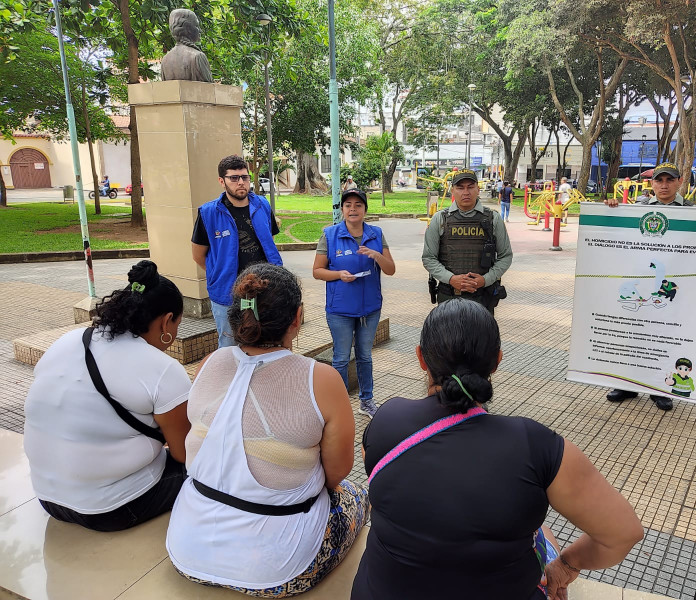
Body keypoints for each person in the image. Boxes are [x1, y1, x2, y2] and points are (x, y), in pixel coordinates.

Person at [351, 299, 643, 600]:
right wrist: (567, 565)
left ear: (421, 358)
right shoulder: (535, 446)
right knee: (538, 524)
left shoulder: (385, 420)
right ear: (497, 361)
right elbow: (623, 534)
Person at [167, 264, 369, 596]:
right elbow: (336, 472)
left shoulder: (210, 364)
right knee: (356, 495)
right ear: (297, 317)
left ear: (236, 316)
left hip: (187, 549)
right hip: (277, 569)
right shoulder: (321, 379)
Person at [24, 260, 191, 532]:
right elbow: (184, 453)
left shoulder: (68, 341)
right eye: (177, 324)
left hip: (48, 498)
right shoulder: (163, 370)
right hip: (111, 509)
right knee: (207, 468)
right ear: (166, 321)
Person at [604, 161, 696, 411]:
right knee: (635, 336)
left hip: (671, 288)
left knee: (666, 336)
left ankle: (659, 388)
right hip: (643, 284)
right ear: (652, 183)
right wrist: (613, 209)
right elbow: (620, 237)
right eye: (659, 180)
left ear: (680, 182)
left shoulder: (693, 211)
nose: (664, 185)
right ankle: (628, 384)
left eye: (670, 180)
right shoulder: (637, 209)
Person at [313, 189, 396, 418]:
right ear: (342, 210)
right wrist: (339, 274)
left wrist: (376, 255)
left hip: (370, 309)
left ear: (364, 210)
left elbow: (390, 269)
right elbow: (317, 271)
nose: (352, 209)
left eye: (358, 205)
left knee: (365, 356)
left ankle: (366, 401)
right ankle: (338, 406)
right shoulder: (330, 235)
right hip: (340, 310)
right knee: (340, 357)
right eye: (348, 205)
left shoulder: (376, 234)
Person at [191, 155, 282, 348]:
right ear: (221, 181)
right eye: (234, 178)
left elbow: (269, 242)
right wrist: (219, 275)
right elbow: (198, 255)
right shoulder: (208, 213)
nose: (241, 182)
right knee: (229, 345)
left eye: (244, 177)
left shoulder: (262, 205)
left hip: (263, 289)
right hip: (227, 293)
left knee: (263, 343)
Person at [422, 169, 513, 315]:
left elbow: (505, 256)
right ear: (452, 190)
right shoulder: (440, 219)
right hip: (449, 297)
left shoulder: (493, 219)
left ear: (478, 189)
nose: (466, 192)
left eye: (470, 187)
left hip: (483, 297)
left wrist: (485, 280)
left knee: (481, 338)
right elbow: (428, 258)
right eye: (460, 187)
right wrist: (451, 279)